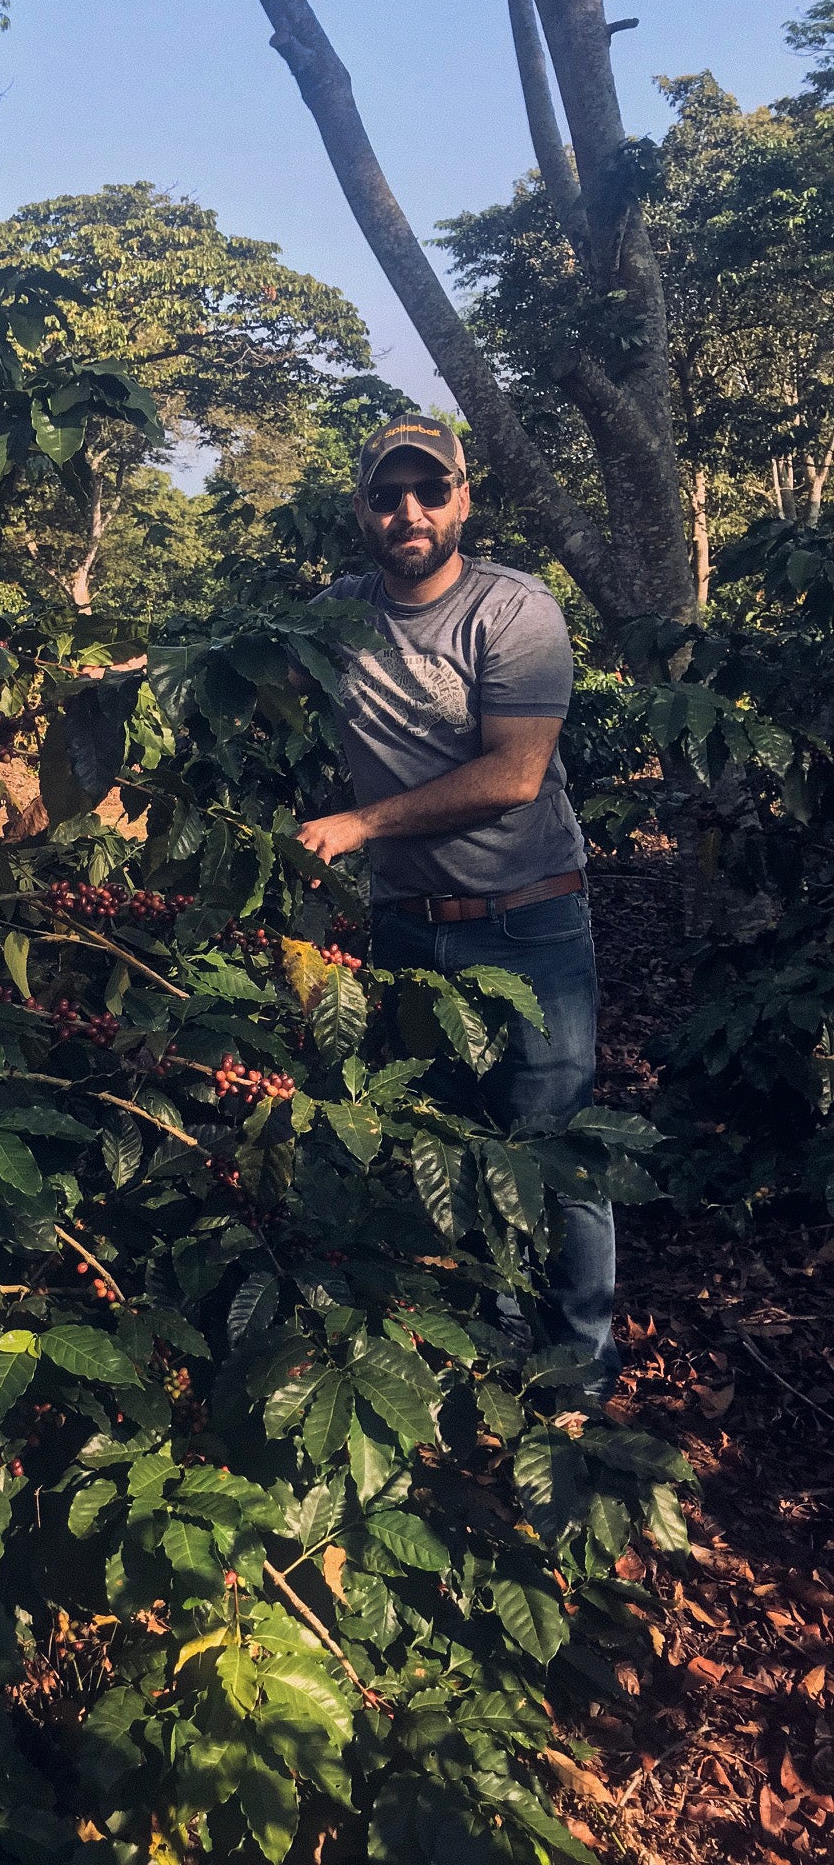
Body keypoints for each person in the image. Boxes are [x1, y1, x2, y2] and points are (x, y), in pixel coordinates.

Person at [297, 414, 617, 1393]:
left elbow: (516, 773)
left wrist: (357, 824)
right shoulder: (338, 612)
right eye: (388, 494)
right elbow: (236, 652)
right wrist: (113, 677)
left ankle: (574, 1377)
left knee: (551, 1155)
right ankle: (491, 1352)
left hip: (526, 926)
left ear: (463, 497)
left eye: (430, 491)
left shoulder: (513, 611)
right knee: (444, 1152)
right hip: (405, 930)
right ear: (361, 508)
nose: (409, 511)